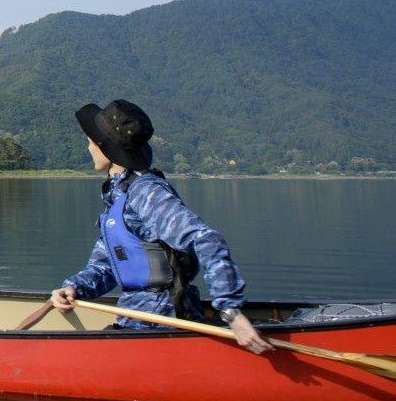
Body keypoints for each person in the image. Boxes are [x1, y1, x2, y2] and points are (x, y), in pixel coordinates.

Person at [50, 99, 272, 355]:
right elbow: (107, 266)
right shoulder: (117, 196)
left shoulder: (145, 192)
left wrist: (230, 310)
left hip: (164, 320)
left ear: (104, 148)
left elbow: (206, 240)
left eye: (91, 141)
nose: (88, 147)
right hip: (133, 318)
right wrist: (74, 288)